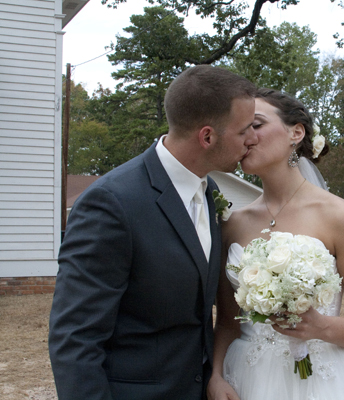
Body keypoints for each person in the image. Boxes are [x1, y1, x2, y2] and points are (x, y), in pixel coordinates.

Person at [48, 65, 258, 400]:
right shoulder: (111, 203)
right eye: (245, 129)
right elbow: (75, 338)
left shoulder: (208, 190)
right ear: (207, 136)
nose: (254, 138)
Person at [207, 89, 344, 400]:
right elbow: (226, 321)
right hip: (246, 378)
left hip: (321, 380)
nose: (246, 137)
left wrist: (320, 327)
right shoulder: (233, 223)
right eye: (241, 129)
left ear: (296, 132)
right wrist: (216, 375)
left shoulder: (341, 217)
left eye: (257, 125)